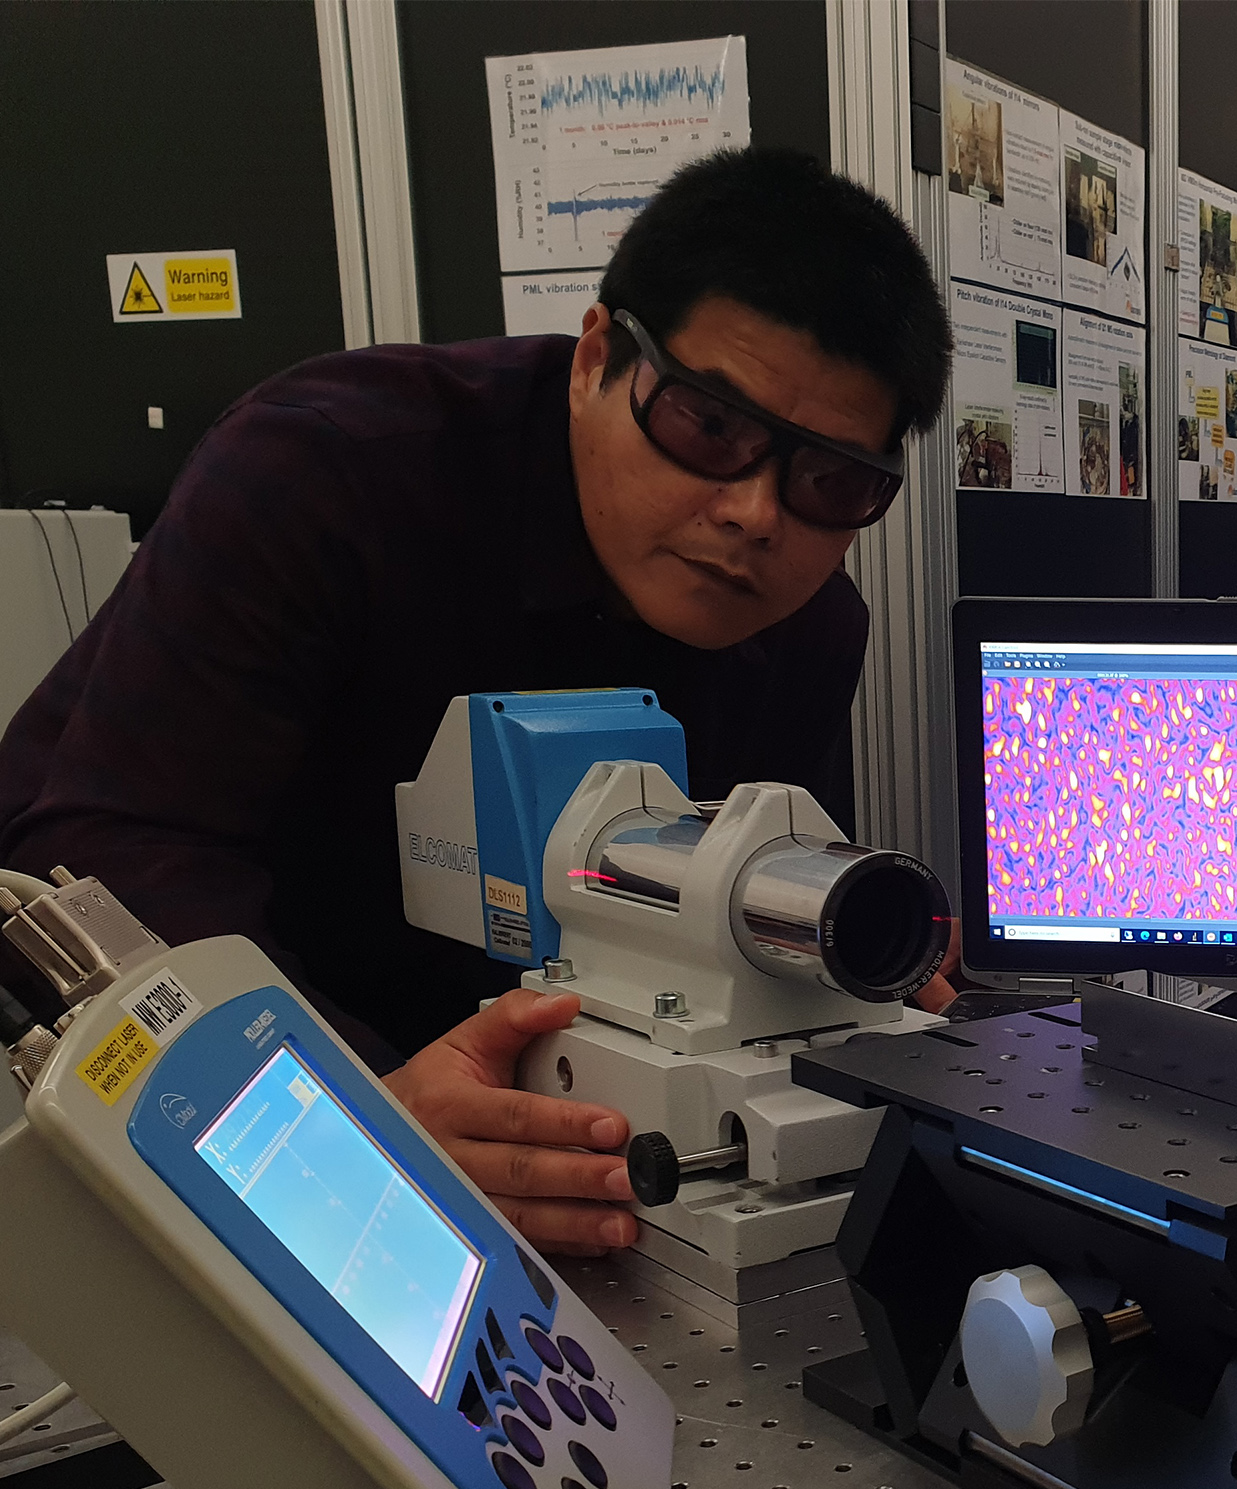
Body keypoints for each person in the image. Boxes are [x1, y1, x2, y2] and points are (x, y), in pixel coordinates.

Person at [0, 148, 954, 1250]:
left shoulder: (808, 620)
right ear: (598, 357)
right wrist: (359, 1123)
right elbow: (112, 859)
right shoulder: (328, 474)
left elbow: (746, 922)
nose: (754, 513)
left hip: (532, 1136)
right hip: (236, 1067)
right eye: (705, 426)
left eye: (830, 480)